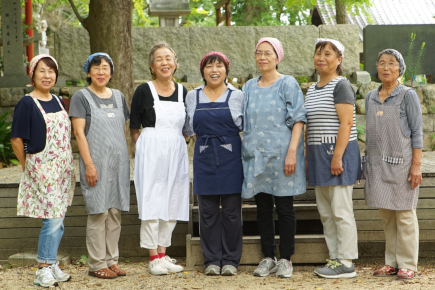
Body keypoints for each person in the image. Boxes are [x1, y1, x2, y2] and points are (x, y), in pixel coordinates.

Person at [242, 37, 307, 278]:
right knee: (262, 208)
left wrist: (292, 152)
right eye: (259, 52)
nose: (263, 57)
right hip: (257, 155)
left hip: (282, 155)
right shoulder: (248, 86)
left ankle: (285, 258)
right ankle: (267, 256)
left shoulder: (287, 83)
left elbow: (298, 118)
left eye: (268, 52)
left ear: (277, 57)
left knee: (285, 208)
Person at [11, 54, 75, 288]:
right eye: (42, 71)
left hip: (62, 168)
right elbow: (16, 139)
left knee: (59, 219)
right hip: (41, 169)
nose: (47, 76)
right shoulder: (27, 103)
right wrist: (27, 167)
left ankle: (51, 262)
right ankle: (43, 269)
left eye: (51, 71)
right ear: (33, 74)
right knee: (53, 220)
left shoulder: (58, 101)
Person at [70, 53, 130, 279]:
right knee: (99, 211)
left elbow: (121, 130)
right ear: (88, 72)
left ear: (111, 73)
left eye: (105, 68)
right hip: (94, 162)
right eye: (96, 68)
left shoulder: (119, 96)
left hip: (118, 163)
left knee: (115, 211)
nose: (101, 72)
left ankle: (111, 260)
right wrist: (89, 165)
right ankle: (97, 264)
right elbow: (78, 133)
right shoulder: (81, 97)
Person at [130, 42, 189, 276]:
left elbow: (187, 128)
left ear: (175, 63)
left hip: (176, 149)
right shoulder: (143, 91)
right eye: (159, 59)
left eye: (168, 58)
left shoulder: (184, 91)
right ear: (151, 66)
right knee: (152, 201)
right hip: (151, 149)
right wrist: (147, 149)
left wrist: (176, 143)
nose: (165, 62)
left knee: (172, 200)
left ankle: (163, 254)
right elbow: (135, 128)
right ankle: (153, 257)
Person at [183, 51, 244, 276]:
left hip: (231, 158)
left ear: (227, 71)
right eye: (209, 66)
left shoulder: (238, 95)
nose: (214, 70)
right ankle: (211, 260)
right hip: (204, 156)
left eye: (219, 66)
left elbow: (244, 127)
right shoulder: (193, 96)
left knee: (231, 212)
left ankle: (230, 260)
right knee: (207, 212)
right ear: (203, 72)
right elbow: (188, 128)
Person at [364, 49, 422, 279]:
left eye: (391, 63)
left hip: (403, 164)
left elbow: (417, 132)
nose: (386, 67)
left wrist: (416, 165)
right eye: (381, 63)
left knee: (405, 215)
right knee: (387, 215)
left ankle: (408, 263)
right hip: (378, 164)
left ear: (400, 69)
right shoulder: (370, 96)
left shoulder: (407, 95)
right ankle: (392, 262)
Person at [304, 38, 361, 279]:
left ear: (339, 60)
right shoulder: (312, 89)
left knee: (340, 209)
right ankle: (335, 257)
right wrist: (308, 157)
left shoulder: (341, 85)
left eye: (328, 54)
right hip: (318, 154)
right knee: (326, 211)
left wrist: (337, 157)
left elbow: (346, 123)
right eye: (318, 53)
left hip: (337, 153)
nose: (321, 57)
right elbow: (310, 125)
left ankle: (346, 261)